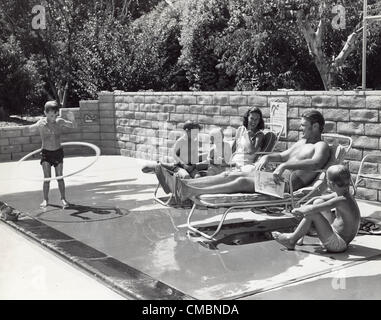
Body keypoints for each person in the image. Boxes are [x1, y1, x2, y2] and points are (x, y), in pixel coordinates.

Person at [160, 110, 330, 201]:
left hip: (287, 185)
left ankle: (188, 190)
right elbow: (283, 155)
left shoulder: (321, 146)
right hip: (275, 177)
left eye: (304, 126)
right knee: (231, 173)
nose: (301, 128)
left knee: (241, 181)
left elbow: (315, 164)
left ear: (315, 127)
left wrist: (285, 166)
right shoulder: (302, 143)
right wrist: (268, 157)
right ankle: (186, 184)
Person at [273, 164, 360, 253]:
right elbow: (317, 199)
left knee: (313, 214)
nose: (326, 182)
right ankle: (299, 235)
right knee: (318, 201)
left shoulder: (342, 200)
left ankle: (291, 240)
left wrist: (296, 210)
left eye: (326, 180)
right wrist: (305, 205)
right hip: (338, 235)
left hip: (338, 244)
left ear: (331, 184)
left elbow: (313, 209)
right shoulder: (344, 194)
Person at [26, 100, 77, 208]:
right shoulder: (42, 123)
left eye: (55, 115)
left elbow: (73, 126)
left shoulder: (59, 121)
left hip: (58, 152)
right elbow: (29, 130)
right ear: (45, 113)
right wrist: (36, 124)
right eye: (51, 115)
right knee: (47, 178)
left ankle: (63, 198)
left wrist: (73, 119)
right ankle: (45, 199)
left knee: (60, 177)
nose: (54, 117)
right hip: (46, 153)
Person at [142, 120, 206, 179]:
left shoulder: (194, 142)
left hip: (191, 166)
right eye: (194, 133)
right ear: (187, 131)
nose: (196, 135)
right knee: (186, 176)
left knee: (198, 177)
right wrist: (184, 165)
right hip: (179, 166)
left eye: (197, 133)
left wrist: (193, 165)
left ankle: (194, 189)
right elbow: (174, 154)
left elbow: (194, 155)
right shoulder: (181, 141)